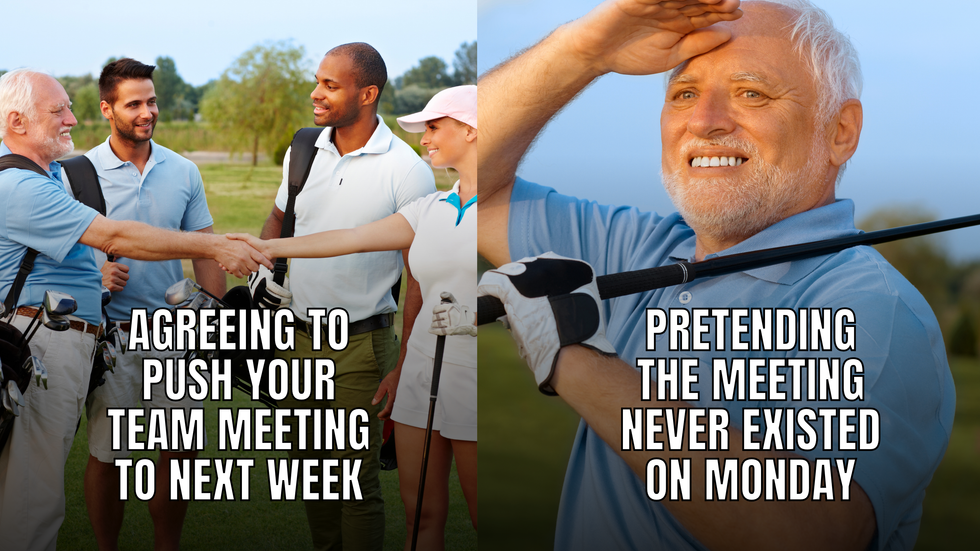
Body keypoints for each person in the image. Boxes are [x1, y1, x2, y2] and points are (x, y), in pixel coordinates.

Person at [477, 1, 954, 550]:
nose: (704, 122)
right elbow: (472, 187)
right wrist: (582, 52)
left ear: (841, 131)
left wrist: (571, 356)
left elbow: (805, 535)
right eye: (684, 94)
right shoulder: (640, 246)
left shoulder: (875, 311)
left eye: (752, 93)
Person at [0, 68, 269, 551]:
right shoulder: (24, 185)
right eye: (58, 109)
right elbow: (115, 236)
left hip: (85, 340)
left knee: (38, 491)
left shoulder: (52, 174)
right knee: (33, 495)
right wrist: (222, 248)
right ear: (17, 122)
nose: (72, 118)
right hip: (47, 342)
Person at [232, 84, 478, 550]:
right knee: (413, 513)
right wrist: (263, 248)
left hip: (451, 367)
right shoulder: (433, 208)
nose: (425, 138)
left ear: (470, 130)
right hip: (405, 365)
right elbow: (352, 237)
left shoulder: (486, 203)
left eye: (434, 127)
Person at [59, 58, 226, 551]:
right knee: (110, 454)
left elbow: (204, 247)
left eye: (151, 101)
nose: (147, 112)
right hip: (113, 336)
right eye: (134, 103)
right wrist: (94, 275)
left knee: (181, 453)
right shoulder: (75, 174)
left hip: (178, 336)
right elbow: (55, 252)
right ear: (108, 108)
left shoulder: (184, 169)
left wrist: (214, 313)